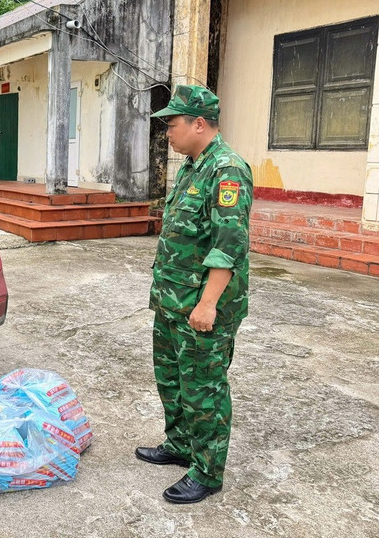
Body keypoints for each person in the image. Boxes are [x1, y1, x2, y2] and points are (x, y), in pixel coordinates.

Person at [136, 85, 252, 504]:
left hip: (203, 307)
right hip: (172, 301)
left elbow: (229, 245)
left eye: (173, 123)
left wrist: (208, 304)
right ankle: (181, 445)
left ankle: (207, 470)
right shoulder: (191, 166)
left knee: (203, 388)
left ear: (198, 123)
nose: (168, 132)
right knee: (171, 379)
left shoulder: (227, 170)